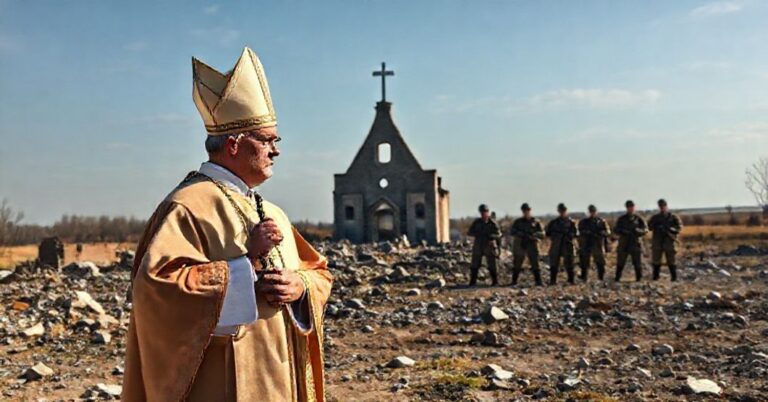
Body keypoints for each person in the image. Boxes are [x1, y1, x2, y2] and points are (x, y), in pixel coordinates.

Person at [123, 47, 333, 402]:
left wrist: (299, 288)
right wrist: (245, 266)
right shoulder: (188, 205)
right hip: (220, 383)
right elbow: (157, 292)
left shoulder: (272, 211)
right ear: (234, 144)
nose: (275, 150)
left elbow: (319, 272)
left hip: (278, 377)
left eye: (275, 141)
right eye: (267, 140)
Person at [509, 203, 545, 286]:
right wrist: (520, 234)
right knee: (517, 263)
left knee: (535, 263)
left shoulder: (536, 221)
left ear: (530, 210)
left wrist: (535, 235)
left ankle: (538, 282)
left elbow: (543, 234)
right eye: (524, 211)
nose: (526, 212)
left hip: (532, 244)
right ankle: (514, 281)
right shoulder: (518, 222)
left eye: (527, 210)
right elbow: (512, 231)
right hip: (521, 243)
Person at [648, 198, 683, 281]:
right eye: (660, 206)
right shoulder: (655, 218)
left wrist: (671, 229)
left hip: (669, 240)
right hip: (657, 240)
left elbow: (679, 227)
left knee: (671, 260)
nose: (662, 207)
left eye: (663, 206)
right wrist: (656, 226)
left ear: (666, 206)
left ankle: (674, 278)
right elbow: (649, 227)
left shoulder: (673, 217)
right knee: (656, 259)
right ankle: (655, 277)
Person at [467, 204, 501, 286]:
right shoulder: (477, 222)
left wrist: (492, 237)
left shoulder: (492, 223)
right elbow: (470, 232)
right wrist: (477, 234)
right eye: (482, 212)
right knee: (475, 263)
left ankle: (495, 281)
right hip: (478, 244)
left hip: (489, 245)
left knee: (492, 264)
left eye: (485, 212)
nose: (484, 214)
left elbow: (499, 234)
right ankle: (473, 282)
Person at [613, 200, 648, 282]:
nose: (631, 209)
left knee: (637, 262)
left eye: (632, 207)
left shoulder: (639, 219)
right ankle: (617, 278)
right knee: (620, 262)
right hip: (624, 243)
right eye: (629, 207)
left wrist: (638, 231)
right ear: (626, 208)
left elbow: (645, 230)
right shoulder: (621, 219)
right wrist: (622, 231)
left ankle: (639, 279)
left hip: (635, 242)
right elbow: (615, 229)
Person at [545, 203, 578, 285]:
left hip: (567, 244)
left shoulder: (571, 223)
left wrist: (569, 235)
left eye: (564, 211)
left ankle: (571, 280)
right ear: (558, 211)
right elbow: (547, 233)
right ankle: (553, 281)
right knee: (554, 263)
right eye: (561, 211)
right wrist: (556, 235)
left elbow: (576, 233)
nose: (562, 212)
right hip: (556, 244)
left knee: (569, 263)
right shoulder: (554, 223)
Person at [577, 205, 611, 281]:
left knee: (600, 262)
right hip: (586, 243)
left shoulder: (601, 221)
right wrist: (586, 233)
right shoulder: (584, 222)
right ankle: (584, 277)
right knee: (584, 262)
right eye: (591, 211)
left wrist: (601, 233)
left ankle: (601, 278)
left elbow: (608, 232)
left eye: (593, 211)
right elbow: (579, 231)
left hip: (598, 244)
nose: (592, 213)